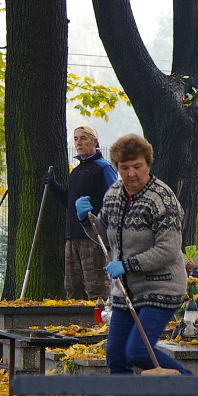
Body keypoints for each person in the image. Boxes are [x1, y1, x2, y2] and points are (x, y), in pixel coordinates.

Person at [76, 133, 198, 396]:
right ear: (117, 167)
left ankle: (192, 386)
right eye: (124, 167)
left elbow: (168, 249)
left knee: (136, 351)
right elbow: (104, 238)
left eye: (136, 166)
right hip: (126, 290)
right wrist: (88, 220)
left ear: (148, 164)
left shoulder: (162, 198)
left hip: (161, 286)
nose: (130, 174)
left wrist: (128, 264)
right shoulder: (113, 195)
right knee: (116, 357)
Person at [43, 125, 118, 300]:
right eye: (76, 139)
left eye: (84, 138)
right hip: (73, 235)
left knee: (96, 286)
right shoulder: (76, 172)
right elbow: (70, 203)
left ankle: (101, 323)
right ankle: (76, 325)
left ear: (95, 142)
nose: (79, 143)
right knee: (73, 288)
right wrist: (54, 186)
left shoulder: (103, 168)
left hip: (94, 236)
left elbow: (115, 200)